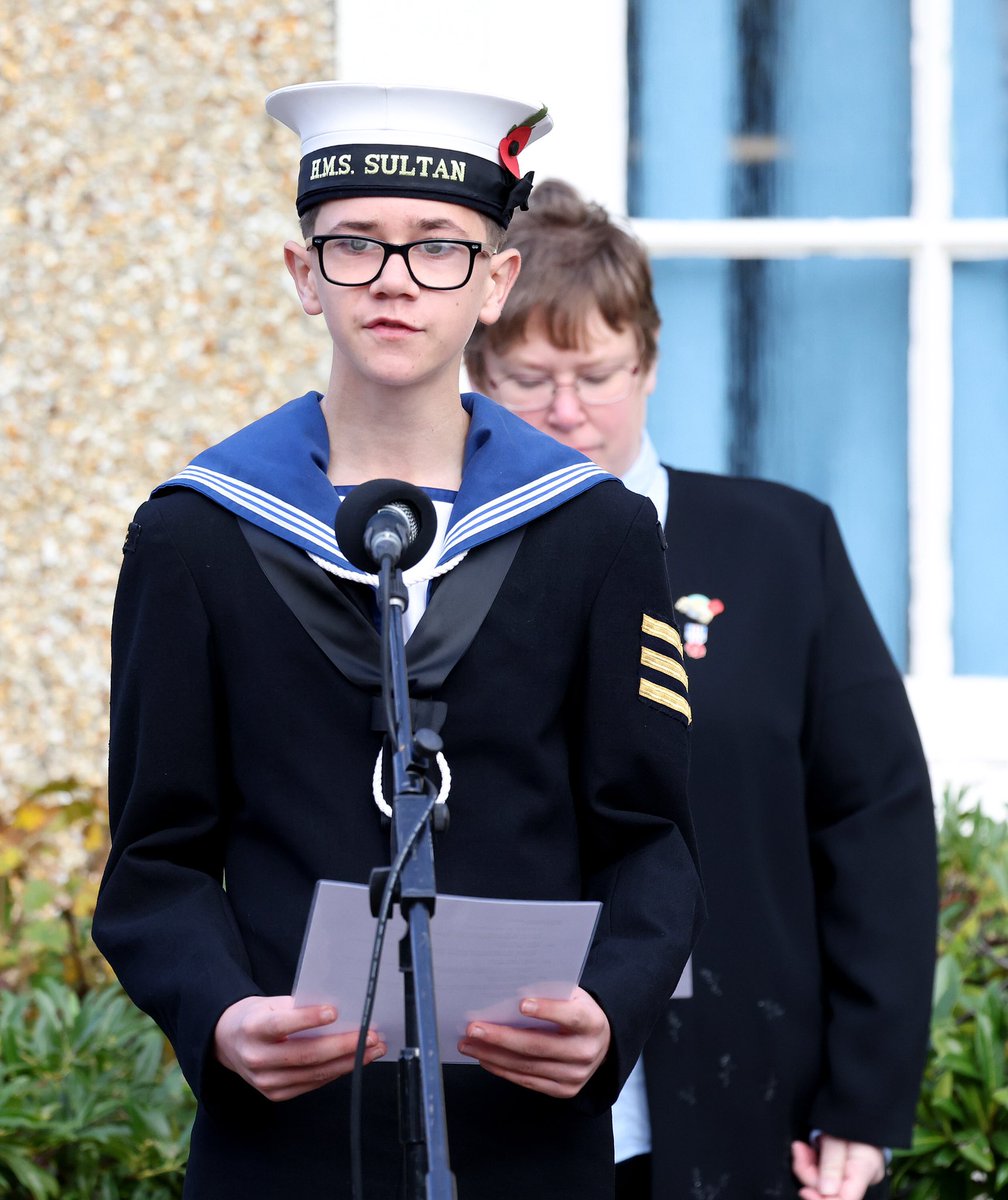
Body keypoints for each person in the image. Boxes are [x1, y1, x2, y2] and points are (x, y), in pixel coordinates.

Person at [92, 86, 704, 1200]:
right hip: (284, 1145)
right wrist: (220, 1015)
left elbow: (651, 835)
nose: (391, 278)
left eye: (438, 249)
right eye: (356, 243)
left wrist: (610, 1009)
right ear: (302, 274)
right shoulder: (196, 533)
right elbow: (154, 859)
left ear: (495, 282)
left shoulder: (597, 531)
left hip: (526, 1139)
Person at [465, 179, 938, 1200]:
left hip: (747, 1094)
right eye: (528, 378)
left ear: (651, 361)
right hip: (494, 1102)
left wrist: (864, 1101)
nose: (567, 411)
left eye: (597, 373)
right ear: (474, 372)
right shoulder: (425, 568)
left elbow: (875, 821)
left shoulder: (781, 546)